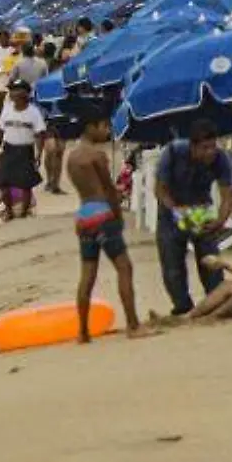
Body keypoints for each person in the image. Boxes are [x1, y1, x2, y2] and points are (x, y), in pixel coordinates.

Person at [65, 110, 149, 341]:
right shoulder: (96, 156)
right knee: (124, 268)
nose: (107, 131)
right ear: (90, 127)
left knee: (87, 275)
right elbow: (108, 190)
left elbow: (86, 190)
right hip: (102, 214)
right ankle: (133, 325)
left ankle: (83, 332)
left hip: (84, 216)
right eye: (104, 126)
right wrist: (118, 216)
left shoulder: (72, 158)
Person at [153, 118, 232, 315]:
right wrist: (176, 210)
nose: (210, 152)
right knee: (172, 262)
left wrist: (220, 221)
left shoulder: (222, 159)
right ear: (193, 146)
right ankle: (182, 306)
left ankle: (215, 300)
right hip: (171, 212)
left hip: (201, 210)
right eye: (205, 148)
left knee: (210, 259)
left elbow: (227, 195)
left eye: (213, 146)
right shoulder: (172, 153)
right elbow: (159, 189)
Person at [0, 79, 46, 220]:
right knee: (3, 181)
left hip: (26, 149)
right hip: (9, 149)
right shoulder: (7, 109)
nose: (12, 93)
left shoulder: (34, 112)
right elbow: (0, 131)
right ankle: (9, 211)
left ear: (25, 93)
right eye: (12, 90)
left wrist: (39, 154)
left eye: (16, 90)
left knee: (25, 183)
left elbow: (40, 134)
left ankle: (24, 213)